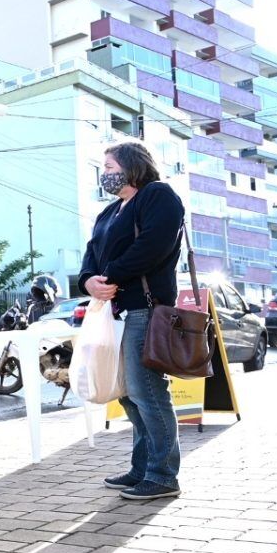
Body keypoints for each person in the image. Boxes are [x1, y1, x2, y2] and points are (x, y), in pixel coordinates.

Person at [79, 142, 186, 501]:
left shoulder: (157, 195)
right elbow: (90, 257)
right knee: (128, 394)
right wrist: (88, 281)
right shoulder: (109, 212)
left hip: (146, 309)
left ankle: (162, 474)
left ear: (131, 166)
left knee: (147, 391)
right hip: (115, 314)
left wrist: (109, 277)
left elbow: (153, 246)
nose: (105, 173)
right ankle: (142, 468)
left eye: (110, 166)